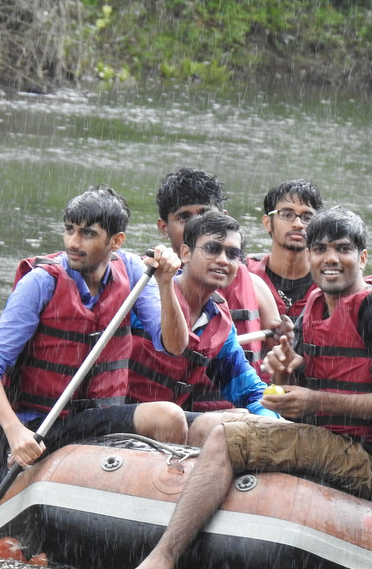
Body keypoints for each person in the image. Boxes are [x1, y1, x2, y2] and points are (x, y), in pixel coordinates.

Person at [127, 206, 372, 569]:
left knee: (226, 437)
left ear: (362, 258)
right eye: (320, 249)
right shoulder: (315, 309)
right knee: (232, 425)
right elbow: (286, 393)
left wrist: (313, 402)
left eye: (343, 249)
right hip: (340, 441)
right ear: (310, 256)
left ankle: (161, 564)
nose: (331, 259)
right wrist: (283, 373)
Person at [0, 185, 189, 468]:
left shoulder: (135, 271)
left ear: (116, 241)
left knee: (199, 422)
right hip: (43, 427)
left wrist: (165, 283)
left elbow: (175, 345)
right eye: (70, 229)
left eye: (87, 234)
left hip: (102, 421)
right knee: (167, 416)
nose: (73, 242)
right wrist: (15, 431)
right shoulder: (40, 282)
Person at [128, 211, 280, 418]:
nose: (223, 260)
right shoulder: (146, 294)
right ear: (185, 253)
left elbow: (248, 391)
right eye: (212, 249)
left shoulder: (219, 321)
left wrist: (275, 420)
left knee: (242, 418)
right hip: (120, 417)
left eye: (233, 254)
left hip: (170, 427)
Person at [152, 167, 284, 375]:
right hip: (174, 404)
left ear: (223, 218)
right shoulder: (148, 283)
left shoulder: (256, 287)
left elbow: (278, 365)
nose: (196, 224)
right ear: (164, 227)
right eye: (184, 217)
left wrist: (282, 344)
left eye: (205, 214)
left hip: (238, 399)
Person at [246, 179, 324, 318]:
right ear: (267, 223)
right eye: (287, 215)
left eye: (307, 217)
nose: (298, 224)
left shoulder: (328, 283)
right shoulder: (244, 274)